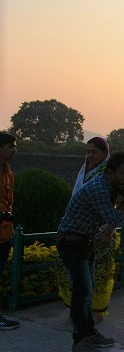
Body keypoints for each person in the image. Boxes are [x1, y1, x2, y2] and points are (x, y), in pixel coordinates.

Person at [57, 151, 124, 349]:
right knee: (82, 291)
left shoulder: (108, 184)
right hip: (72, 243)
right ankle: (80, 338)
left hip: (83, 242)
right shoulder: (99, 189)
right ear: (110, 172)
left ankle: (89, 333)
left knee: (86, 290)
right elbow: (114, 219)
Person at [0, 132, 20, 331]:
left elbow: (9, 204)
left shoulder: (9, 174)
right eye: (11, 146)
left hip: (4, 234)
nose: (15, 150)